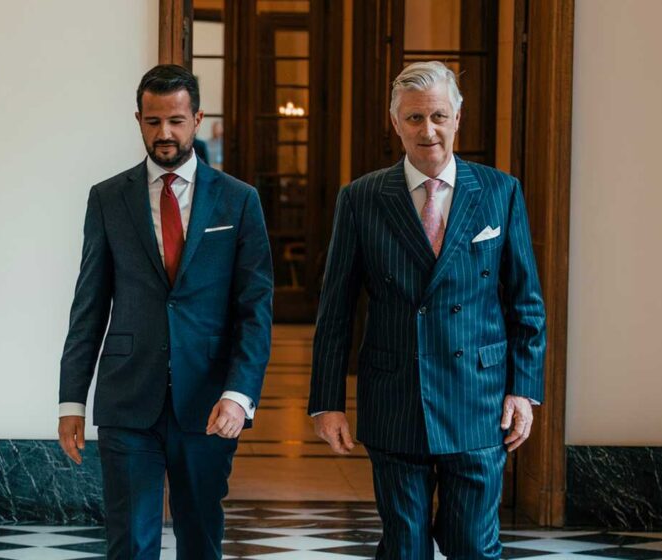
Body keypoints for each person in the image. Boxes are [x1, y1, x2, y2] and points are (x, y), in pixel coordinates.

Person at [308, 61, 546, 559]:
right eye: (414, 118)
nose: (428, 130)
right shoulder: (362, 198)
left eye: (438, 116)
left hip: (479, 401)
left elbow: (526, 302)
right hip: (396, 397)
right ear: (395, 122)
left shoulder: (500, 191)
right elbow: (336, 311)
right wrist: (327, 402)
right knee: (405, 549)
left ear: (458, 117)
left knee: (474, 546)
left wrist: (523, 390)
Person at [58, 64, 273, 560]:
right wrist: (72, 400)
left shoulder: (239, 201)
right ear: (138, 119)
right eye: (153, 121)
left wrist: (239, 394)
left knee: (200, 540)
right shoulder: (108, 198)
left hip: (210, 402)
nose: (165, 133)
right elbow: (88, 305)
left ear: (197, 118)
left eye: (176, 121)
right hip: (128, 398)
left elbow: (255, 310)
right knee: (130, 544)